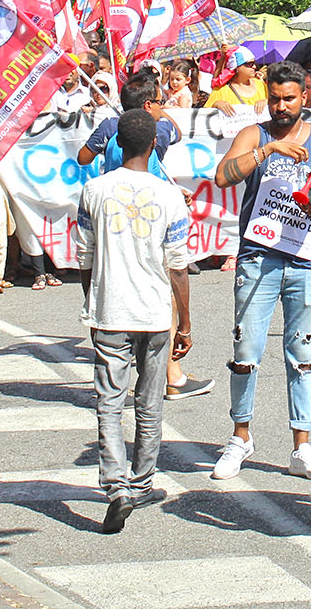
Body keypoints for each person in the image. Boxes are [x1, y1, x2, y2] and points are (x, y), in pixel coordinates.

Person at [210, 61, 311, 482]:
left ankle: (301, 446)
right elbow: (222, 177)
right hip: (259, 257)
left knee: (302, 357)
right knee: (245, 352)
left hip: (306, 259)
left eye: (289, 99)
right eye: (275, 99)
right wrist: (267, 152)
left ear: (306, 96)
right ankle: (240, 437)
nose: (281, 106)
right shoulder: (256, 135)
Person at [74, 107, 193, 532]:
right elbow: (178, 266)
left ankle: (116, 485)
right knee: (149, 401)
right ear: (154, 145)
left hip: (111, 312)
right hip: (155, 313)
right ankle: (142, 482)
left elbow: (84, 256)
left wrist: (92, 299)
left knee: (109, 401)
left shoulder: (94, 190)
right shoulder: (169, 195)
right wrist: (185, 321)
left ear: (117, 143)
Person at [79, 73, 210, 398]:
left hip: (113, 211)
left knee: (117, 288)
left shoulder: (109, 128)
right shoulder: (159, 129)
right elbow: (176, 132)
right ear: (150, 105)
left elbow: (83, 157)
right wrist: (161, 115)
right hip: (149, 214)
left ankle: (127, 380)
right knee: (163, 289)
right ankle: (171, 375)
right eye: (160, 102)